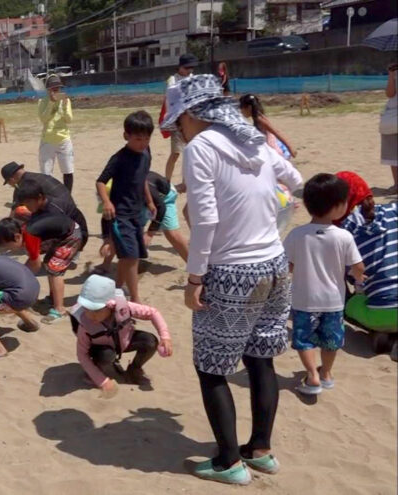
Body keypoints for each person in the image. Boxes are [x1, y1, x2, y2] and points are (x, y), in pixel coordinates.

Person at [161, 74, 303, 484]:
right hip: (273, 264)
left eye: (179, 122)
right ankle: (261, 450)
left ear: (192, 114)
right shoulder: (251, 139)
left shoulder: (202, 146)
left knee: (211, 368)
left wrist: (194, 278)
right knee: (261, 359)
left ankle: (228, 462)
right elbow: (293, 181)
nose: (178, 130)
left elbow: (205, 221)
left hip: (232, 271)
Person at [283, 174, 364, 395]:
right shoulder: (343, 236)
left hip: (304, 299)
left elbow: (286, 266)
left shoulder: (297, 234)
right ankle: (326, 373)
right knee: (331, 341)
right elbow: (358, 266)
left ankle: (312, 374)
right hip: (333, 301)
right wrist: (359, 281)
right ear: (338, 207)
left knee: (304, 340)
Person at [70, 275, 172, 398]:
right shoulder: (84, 325)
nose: (90, 315)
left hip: (125, 341)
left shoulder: (124, 307)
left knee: (150, 341)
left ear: (110, 306)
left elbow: (152, 313)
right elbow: (82, 355)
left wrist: (165, 337)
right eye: (86, 309)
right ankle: (95, 373)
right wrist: (102, 381)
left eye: (96, 310)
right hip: (101, 350)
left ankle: (134, 369)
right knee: (106, 355)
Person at [96, 111, 158, 303]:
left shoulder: (146, 153)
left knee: (130, 256)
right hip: (120, 215)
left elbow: (143, 179)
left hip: (136, 213)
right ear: (126, 136)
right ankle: (136, 299)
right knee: (131, 257)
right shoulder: (120, 158)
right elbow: (100, 181)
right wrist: (107, 202)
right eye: (138, 139)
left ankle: (116, 289)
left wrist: (149, 201)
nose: (143, 143)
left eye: (147, 138)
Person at [337, 171, 398, 340]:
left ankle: (381, 333)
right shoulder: (393, 210)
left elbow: (352, 278)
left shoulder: (343, 231)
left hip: (380, 313)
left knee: (348, 303)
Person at [14, 180, 84, 323]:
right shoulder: (38, 209)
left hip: (72, 235)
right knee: (49, 264)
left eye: (28, 203)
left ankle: (59, 309)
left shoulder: (54, 208)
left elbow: (34, 263)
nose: (26, 207)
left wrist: (20, 274)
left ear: (40, 198)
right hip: (60, 233)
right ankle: (53, 299)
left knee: (54, 268)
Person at [1, 161, 88, 249]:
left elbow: (13, 214)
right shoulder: (37, 176)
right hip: (69, 211)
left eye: (8, 182)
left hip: (66, 221)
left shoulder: (24, 186)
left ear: (11, 179)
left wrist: (8, 233)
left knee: (20, 212)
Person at [161, 54, 197, 182]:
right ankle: (167, 181)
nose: (190, 70)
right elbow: (171, 97)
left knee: (190, 152)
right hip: (177, 120)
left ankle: (185, 181)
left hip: (191, 120)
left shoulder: (193, 78)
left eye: (191, 68)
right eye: (187, 68)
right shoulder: (173, 80)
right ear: (180, 67)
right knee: (176, 153)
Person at [37, 74, 75, 191]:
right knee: (46, 174)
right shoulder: (42, 102)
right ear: (48, 90)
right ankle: (48, 198)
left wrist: (63, 105)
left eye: (58, 88)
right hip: (47, 140)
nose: (55, 91)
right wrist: (51, 103)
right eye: (53, 88)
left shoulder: (66, 101)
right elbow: (44, 119)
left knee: (68, 170)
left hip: (63, 139)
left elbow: (69, 119)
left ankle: (68, 198)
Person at [239, 94, 296, 159]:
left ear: (249, 108)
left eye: (241, 107)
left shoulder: (259, 119)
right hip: (269, 144)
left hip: (272, 147)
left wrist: (289, 148)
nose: (241, 111)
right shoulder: (258, 117)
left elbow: (276, 132)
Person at [380, 62, 398, 193]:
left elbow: (390, 94)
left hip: (392, 117)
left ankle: (397, 184)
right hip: (393, 118)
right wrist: (391, 75)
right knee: (392, 152)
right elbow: (390, 93)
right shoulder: (395, 71)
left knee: (392, 152)